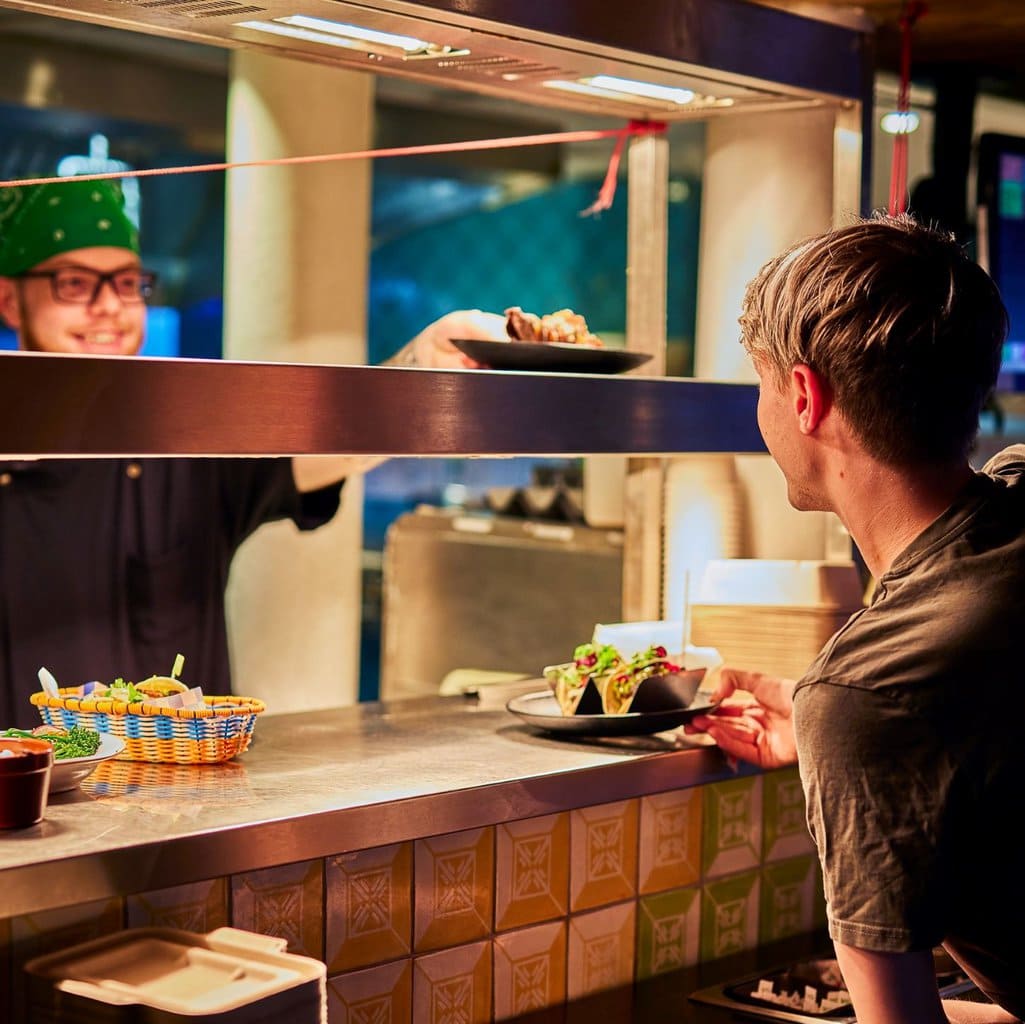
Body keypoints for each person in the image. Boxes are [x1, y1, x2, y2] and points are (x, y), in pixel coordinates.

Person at [0, 178, 505, 726]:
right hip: (29, 795)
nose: (108, 308)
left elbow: (329, 445)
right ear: (9, 299)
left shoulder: (185, 445)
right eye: (73, 284)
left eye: (125, 283)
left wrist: (420, 368)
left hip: (187, 799)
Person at [686, 214, 1024, 1023]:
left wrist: (841, 714)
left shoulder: (866, 695)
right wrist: (818, 718)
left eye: (762, 381)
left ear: (803, 397)